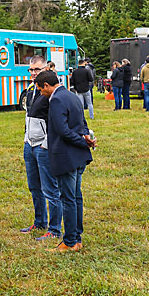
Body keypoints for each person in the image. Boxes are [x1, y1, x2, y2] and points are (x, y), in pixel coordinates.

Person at [35, 69, 94, 253]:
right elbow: (81, 123)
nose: (40, 93)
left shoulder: (57, 100)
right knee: (76, 198)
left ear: (46, 85)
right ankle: (76, 238)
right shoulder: (72, 95)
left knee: (68, 199)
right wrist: (85, 137)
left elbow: (62, 130)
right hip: (77, 156)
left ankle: (69, 241)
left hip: (67, 156)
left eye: (40, 90)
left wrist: (83, 141)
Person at [20, 57, 61, 242]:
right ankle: (39, 221)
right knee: (34, 186)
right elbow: (29, 116)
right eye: (30, 70)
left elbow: (56, 120)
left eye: (36, 69)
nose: (33, 73)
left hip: (43, 146)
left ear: (46, 68)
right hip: (30, 144)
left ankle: (54, 228)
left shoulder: (51, 91)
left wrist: (46, 142)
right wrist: (26, 139)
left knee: (50, 189)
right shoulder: (31, 90)